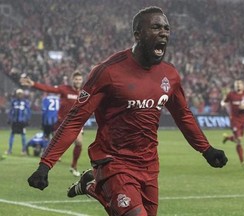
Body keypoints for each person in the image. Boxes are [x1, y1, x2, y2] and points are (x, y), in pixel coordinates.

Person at [27, 6, 228, 216]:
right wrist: (45, 164)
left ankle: (92, 186)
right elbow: (75, 120)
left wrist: (206, 149)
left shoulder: (170, 75)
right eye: (156, 27)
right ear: (138, 34)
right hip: (113, 160)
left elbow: (183, 115)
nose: (163, 33)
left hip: (149, 163)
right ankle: (98, 184)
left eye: (167, 29)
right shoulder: (108, 72)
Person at [20, 71, 84, 177]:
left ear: (82, 81)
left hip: (76, 122)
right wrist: (33, 84)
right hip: (62, 123)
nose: (78, 81)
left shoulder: (83, 92)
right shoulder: (65, 89)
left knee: (79, 143)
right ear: (72, 80)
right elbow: (49, 89)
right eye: (76, 79)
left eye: (79, 79)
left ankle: (73, 166)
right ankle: (43, 164)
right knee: (55, 146)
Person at [221, 80, 244, 168]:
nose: (238, 86)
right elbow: (224, 102)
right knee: (239, 140)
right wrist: (223, 103)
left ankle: (228, 138)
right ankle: (243, 162)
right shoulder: (231, 94)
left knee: (238, 140)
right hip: (234, 120)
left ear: (243, 85)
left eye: (239, 84)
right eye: (236, 85)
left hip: (243, 121)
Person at [6, 89, 31, 155]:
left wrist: (27, 119)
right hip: (16, 121)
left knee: (21, 136)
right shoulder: (24, 101)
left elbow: (28, 112)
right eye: (19, 94)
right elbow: (11, 111)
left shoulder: (15, 101)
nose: (19, 95)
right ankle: (11, 150)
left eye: (20, 93)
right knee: (14, 135)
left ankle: (23, 150)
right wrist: (9, 119)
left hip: (20, 121)